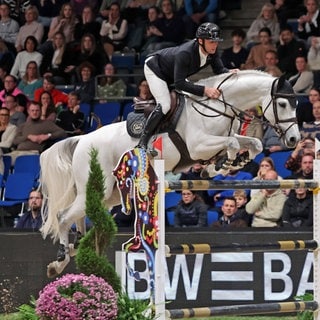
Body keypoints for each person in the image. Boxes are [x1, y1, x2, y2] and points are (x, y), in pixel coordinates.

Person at [136, 22, 230, 153]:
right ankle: (142, 142)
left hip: (174, 72)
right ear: (201, 41)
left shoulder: (212, 51)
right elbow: (179, 84)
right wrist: (205, 90)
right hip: (156, 68)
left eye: (216, 42)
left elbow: (219, 70)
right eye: (211, 42)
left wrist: (233, 73)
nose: (215, 45)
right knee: (165, 105)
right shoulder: (185, 53)